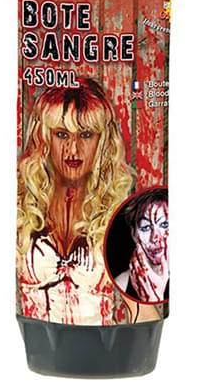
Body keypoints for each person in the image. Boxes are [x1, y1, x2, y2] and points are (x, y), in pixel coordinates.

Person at [17, 78, 133, 325]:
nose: (73, 149)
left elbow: (141, 308)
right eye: (61, 134)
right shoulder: (22, 209)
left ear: (102, 142)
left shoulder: (118, 215)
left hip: (100, 344)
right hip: (39, 341)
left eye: (86, 135)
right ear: (44, 138)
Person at [115, 188, 169, 303]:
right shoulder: (121, 284)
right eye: (146, 227)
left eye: (164, 224)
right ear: (134, 234)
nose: (155, 237)